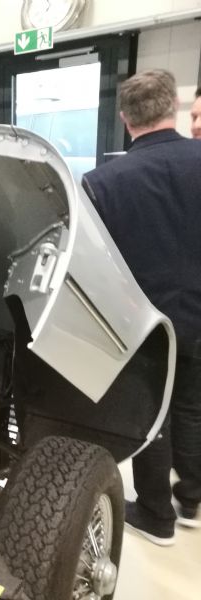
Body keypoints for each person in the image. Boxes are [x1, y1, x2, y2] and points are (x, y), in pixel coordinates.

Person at [82, 69, 201, 546]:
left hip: (143, 323)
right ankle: (191, 500)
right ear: (175, 106)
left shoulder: (102, 182)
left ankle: (155, 514)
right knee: (192, 405)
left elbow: (93, 261)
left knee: (152, 415)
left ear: (125, 119)